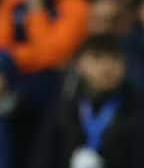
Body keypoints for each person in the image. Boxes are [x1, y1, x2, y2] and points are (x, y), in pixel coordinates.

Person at [30, 34, 144, 168]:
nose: (106, 67)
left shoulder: (137, 110)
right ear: (79, 65)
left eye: (114, 58)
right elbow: (43, 158)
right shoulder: (63, 109)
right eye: (97, 58)